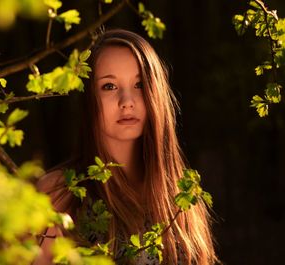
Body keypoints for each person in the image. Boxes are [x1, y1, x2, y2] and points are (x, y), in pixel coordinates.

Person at [34, 29, 217, 265]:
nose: (127, 101)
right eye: (109, 86)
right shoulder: (59, 194)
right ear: (89, 98)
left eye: (139, 85)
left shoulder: (181, 198)